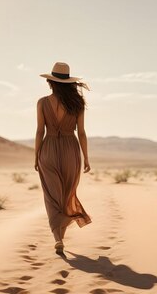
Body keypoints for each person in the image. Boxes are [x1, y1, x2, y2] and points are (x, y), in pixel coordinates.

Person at [35, 62, 92, 256]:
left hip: (48, 150)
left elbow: (39, 131)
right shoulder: (77, 104)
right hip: (70, 151)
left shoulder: (42, 102)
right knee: (66, 195)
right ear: (68, 82)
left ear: (51, 82)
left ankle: (58, 239)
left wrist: (36, 156)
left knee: (52, 197)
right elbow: (82, 133)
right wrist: (86, 158)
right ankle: (64, 227)